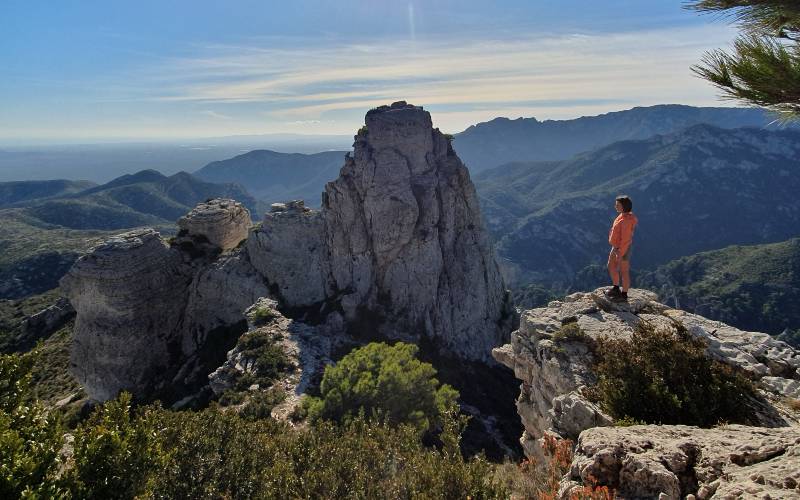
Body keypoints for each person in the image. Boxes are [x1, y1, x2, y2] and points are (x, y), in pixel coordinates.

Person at [605, 195, 638, 301]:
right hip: (617, 247)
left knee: (623, 271)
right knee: (611, 266)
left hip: (622, 248)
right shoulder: (623, 216)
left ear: (624, 206)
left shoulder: (626, 221)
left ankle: (623, 294)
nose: (615, 206)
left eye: (617, 205)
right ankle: (616, 288)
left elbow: (625, 239)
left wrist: (620, 252)